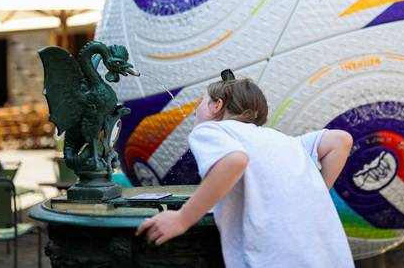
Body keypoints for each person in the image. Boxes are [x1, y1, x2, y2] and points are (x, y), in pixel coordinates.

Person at [136, 73, 355, 267]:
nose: (195, 113)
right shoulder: (281, 140)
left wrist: (182, 218)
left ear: (216, 106)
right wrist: (314, 193)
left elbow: (234, 161)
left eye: (199, 106)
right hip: (330, 256)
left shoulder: (210, 129)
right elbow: (341, 140)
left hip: (277, 258)